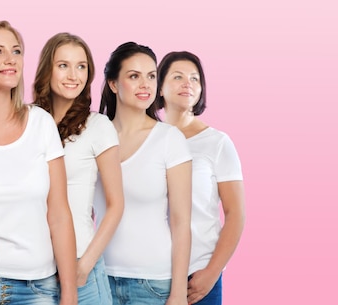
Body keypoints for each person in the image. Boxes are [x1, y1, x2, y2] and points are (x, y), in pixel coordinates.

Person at [0, 20, 78, 305]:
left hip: (35, 288)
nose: (11, 59)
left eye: (17, 51)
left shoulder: (41, 124)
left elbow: (59, 214)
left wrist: (69, 293)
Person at [95, 42, 193, 305]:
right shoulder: (93, 134)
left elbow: (181, 222)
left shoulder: (169, 139)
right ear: (113, 84)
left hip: (153, 284)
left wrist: (178, 293)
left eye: (151, 76)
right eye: (134, 76)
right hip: (98, 277)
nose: (145, 85)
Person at [32, 32, 124, 305]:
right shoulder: (29, 121)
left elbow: (116, 205)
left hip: (79, 261)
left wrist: (85, 264)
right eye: (63, 65)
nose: (74, 75)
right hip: (34, 266)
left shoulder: (98, 126)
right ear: (47, 69)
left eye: (81, 66)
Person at [154, 51, 246, 305]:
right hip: (150, 276)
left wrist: (212, 272)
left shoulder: (217, 143)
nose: (188, 83)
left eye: (195, 79)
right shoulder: (148, 139)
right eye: (178, 76)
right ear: (159, 87)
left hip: (198, 277)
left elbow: (236, 213)